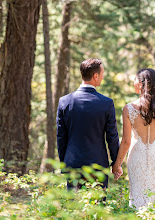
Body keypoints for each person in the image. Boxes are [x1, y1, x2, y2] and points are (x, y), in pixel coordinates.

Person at [56, 58, 122, 190]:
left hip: (73, 165)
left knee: (74, 208)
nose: (103, 77)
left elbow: (61, 137)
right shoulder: (106, 103)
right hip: (98, 165)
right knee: (98, 208)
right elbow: (112, 137)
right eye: (102, 74)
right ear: (95, 76)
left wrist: (65, 164)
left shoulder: (64, 102)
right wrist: (116, 163)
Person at [113, 68, 155, 208]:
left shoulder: (128, 109)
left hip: (137, 159)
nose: (133, 82)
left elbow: (126, 141)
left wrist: (117, 164)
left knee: (138, 199)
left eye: (135, 80)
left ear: (141, 84)